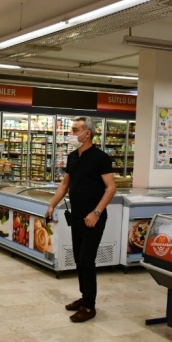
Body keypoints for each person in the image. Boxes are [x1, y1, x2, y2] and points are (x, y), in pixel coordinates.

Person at [46, 116, 116, 323]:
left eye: (75, 130)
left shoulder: (101, 158)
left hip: (94, 218)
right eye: (71, 130)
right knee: (78, 258)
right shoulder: (72, 157)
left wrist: (96, 212)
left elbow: (111, 188)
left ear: (88, 133)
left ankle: (89, 306)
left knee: (86, 260)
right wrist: (52, 205)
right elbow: (64, 185)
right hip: (76, 216)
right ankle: (84, 297)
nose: (71, 134)